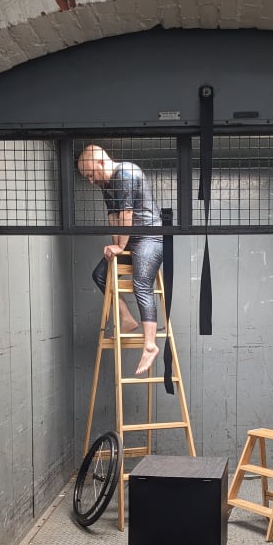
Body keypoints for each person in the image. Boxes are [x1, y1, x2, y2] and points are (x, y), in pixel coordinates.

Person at [77, 144, 163, 375]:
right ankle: (126, 317)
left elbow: (126, 215)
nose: (91, 180)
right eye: (86, 177)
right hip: (130, 239)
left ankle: (150, 346)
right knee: (100, 275)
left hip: (148, 237)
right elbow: (114, 218)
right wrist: (116, 247)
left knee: (141, 284)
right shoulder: (107, 184)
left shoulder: (125, 173)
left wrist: (120, 246)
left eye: (91, 174)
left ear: (101, 162)